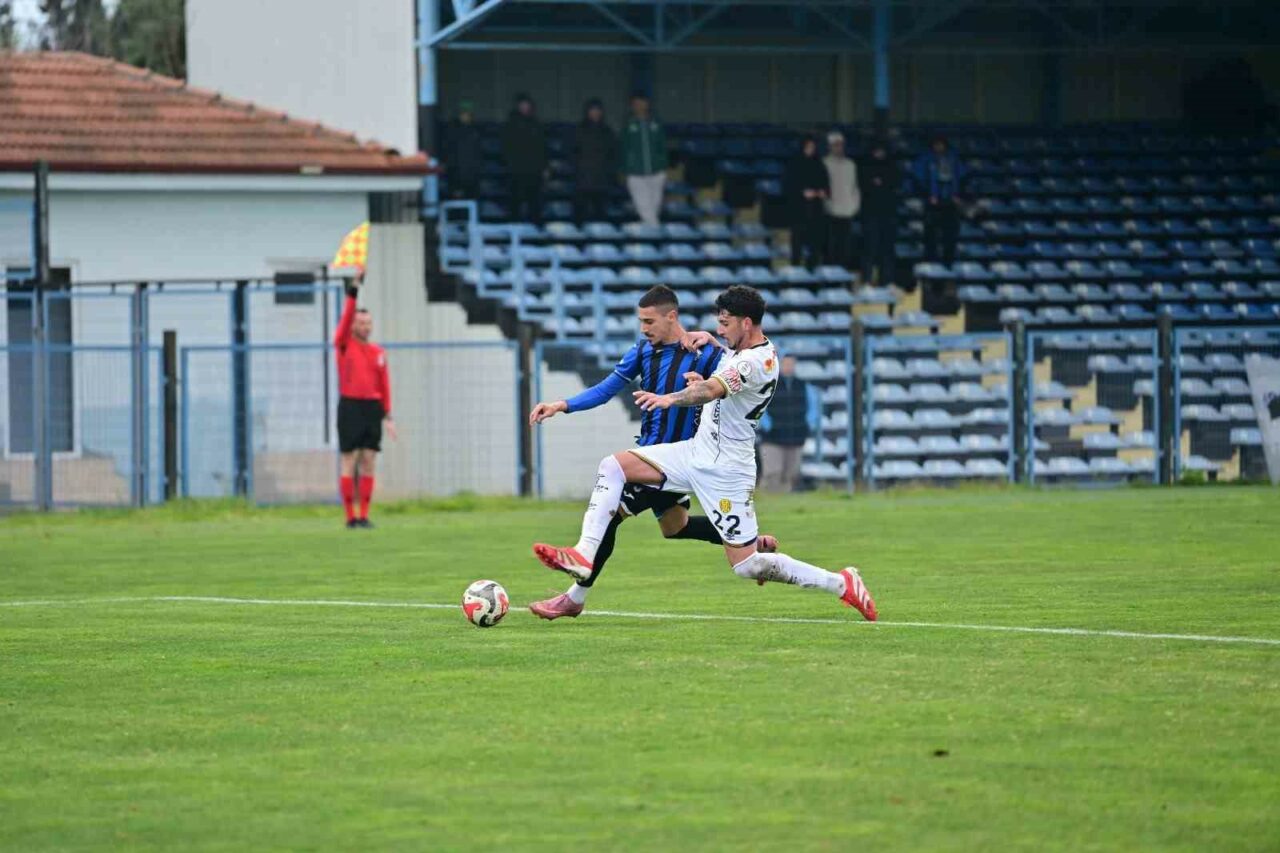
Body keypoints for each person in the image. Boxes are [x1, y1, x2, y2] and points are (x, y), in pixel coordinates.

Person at [532, 285, 878, 621]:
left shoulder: (754, 362)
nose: (718, 330)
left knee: (747, 565)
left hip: (726, 467)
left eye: (724, 324)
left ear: (745, 323)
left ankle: (840, 582)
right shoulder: (739, 351)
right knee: (614, 467)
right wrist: (714, 344)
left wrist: (669, 398)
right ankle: (583, 555)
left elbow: (712, 389)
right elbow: (722, 369)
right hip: (692, 452)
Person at [334, 275, 396, 529]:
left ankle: (364, 515)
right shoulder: (344, 344)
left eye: (368, 322)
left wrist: (388, 415)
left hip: (372, 408)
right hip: (350, 406)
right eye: (360, 322)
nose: (365, 326)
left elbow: (384, 385)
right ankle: (350, 517)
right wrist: (354, 288)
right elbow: (346, 317)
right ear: (352, 325)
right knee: (350, 460)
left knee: (369, 460)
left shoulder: (378, 352)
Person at [759, 355, 820, 493]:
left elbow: (813, 408)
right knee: (772, 473)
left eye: (791, 364)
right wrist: (766, 425)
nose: (788, 367)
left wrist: (808, 424)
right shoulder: (768, 385)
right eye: (785, 364)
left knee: (791, 474)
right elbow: (760, 407)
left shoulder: (804, 386)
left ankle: (785, 500)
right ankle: (768, 499)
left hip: (796, 436)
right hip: (772, 437)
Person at [913, 134, 965, 266]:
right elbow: (918, 178)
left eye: (941, 144)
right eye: (936, 144)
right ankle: (931, 263)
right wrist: (927, 195)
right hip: (932, 203)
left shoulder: (953, 158)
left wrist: (958, 195)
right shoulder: (925, 158)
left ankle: (948, 264)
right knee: (931, 236)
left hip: (950, 203)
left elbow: (962, 177)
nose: (939, 147)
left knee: (950, 235)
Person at [621, 92, 668, 228]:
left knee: (654, 209)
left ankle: (650, 234)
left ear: (647, 104)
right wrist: (625, 169)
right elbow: (623, 149)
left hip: (657, 172)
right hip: (636, 174)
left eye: (642, 102)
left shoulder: (656, 124)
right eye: (636, 103)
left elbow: (663, 147)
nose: (639, 106)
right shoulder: (628, 125)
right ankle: (656, 234)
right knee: (644, 208)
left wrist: (663, 165)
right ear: (632, 106)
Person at [784, 134, 829, 269]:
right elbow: (788, 186)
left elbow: (825, 184)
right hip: (798, 208)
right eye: (808, 147)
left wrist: (822, 192)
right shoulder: (794, 163)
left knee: (815, 241)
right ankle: (796, 268)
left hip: (816, 208)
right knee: (797, 241)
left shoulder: (819, 164)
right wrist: (802, 192)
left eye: (813, 147)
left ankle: (812, 267)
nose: (811, 150)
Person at [501, 93, 548, 224]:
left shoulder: (537, 125)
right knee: (515, 205)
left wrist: (544, 167)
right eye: (522, 105)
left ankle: (534, 232)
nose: (525, 107)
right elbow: (506, 149)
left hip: (534, 172)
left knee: (535, 205)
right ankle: (515, 231)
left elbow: (542, 149)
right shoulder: (510, 125)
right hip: (516, 172)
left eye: (527, 105)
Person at [859, 138, 900, 286]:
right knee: (869, 248)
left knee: (887, 250)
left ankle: (886, 281)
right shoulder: (865, 166)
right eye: (877, 150)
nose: (879, 153)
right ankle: (867, 280)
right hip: (870, 213)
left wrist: (882, 183)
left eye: (882, 150)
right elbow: (864, 185)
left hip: (888, 213)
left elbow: (895, 183)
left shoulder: (892, 166)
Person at [573, 98, 617, 225]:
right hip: (582, 180)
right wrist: (579, 167)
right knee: (580, 217)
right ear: (587, 112)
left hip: (602, 181)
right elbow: (571, 151)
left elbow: (614, 154)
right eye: (592, 110)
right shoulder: (579, 130)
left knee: (600, 216)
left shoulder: (608, 131)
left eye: (598, 110)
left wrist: (609, 170)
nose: (595, 113)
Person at [822, 131, 860, 269]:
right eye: (835, 145)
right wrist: (827, 205)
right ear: (829, 146)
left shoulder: (850, 165)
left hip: (847, 211)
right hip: (831, 211)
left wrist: (854, 205)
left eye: (840, 145)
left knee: (845, 248)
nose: (838, 147)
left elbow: (854, 186)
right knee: (830, 248)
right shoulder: (824, 163)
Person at [443, 99, 483, 200]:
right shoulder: (452, 132)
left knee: (472, 202)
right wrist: (454, 183)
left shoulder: (475, 131)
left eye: (469, 114)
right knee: (458, 203)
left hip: (472, 177)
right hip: (458, 178)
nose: (467, 116)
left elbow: (477, 156)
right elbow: (450, 158)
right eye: (464, 114)